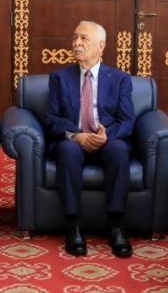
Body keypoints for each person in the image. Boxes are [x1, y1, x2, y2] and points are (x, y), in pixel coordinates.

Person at [43, 21, 136, 258]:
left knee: (119, 150)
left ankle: (117, 226)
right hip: (74, 139)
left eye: (84, 38)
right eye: (75, 38)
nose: (77, 43)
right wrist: (76, 135)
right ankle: (73, 225)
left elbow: (127, 120)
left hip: (107, 139)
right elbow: (51, 118)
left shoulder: (120, 79)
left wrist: (105, 136)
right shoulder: (59, 78)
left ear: (100, 46)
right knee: (67, 150)